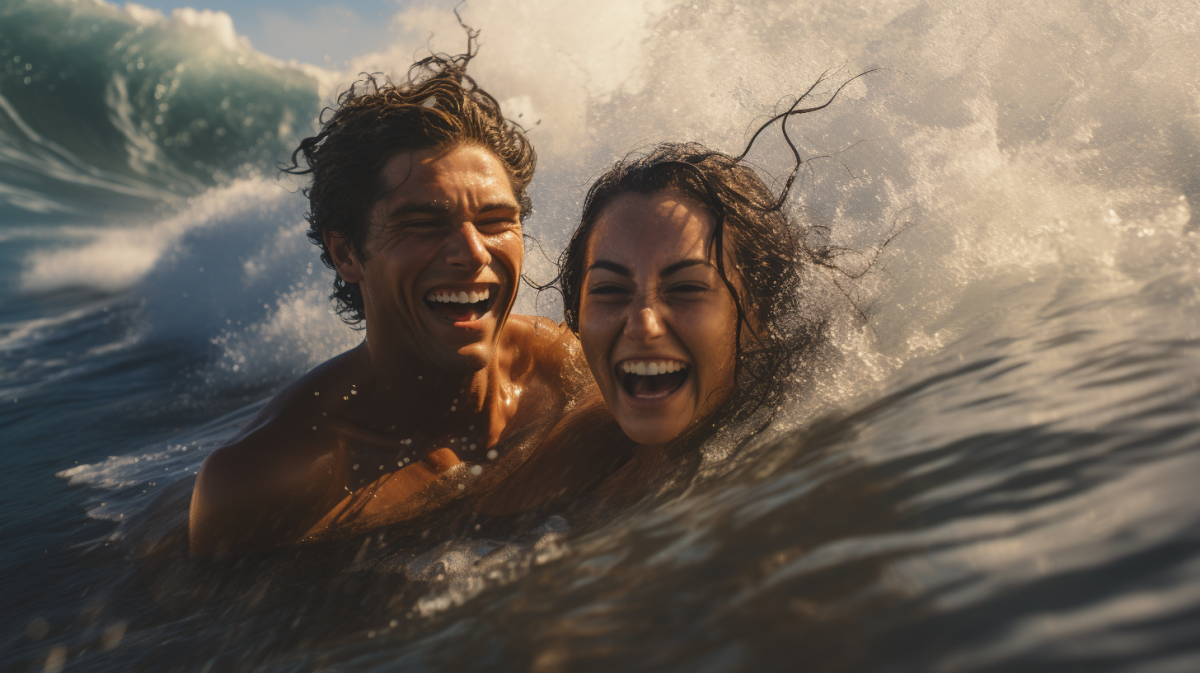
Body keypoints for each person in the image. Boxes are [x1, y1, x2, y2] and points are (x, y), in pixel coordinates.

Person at [188, 51, 592, 557]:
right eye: (423, 222)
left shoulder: (563, 369)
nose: (472, 251)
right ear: (346, 253)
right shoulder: (272, 477)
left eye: (495, 221)